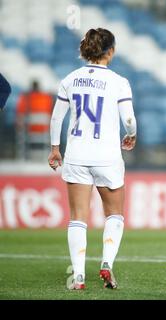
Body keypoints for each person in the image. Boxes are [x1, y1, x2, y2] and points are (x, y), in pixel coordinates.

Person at [48, 28, 137, 290]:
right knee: (115, 214)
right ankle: (107, 263)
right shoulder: (119, 82)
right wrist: (131, 134)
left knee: (78, 217)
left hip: (76, 155)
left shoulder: (70, 79)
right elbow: (129, 119)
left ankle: (78, 276)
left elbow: (56, 118)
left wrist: (55, 149)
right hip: (106, 156)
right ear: (111, 51)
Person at [16, 80, 53, 159]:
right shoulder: (46, 98)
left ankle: (22, 156)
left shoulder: (25, 98)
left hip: (29, 129)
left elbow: (20, 115)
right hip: (44, 129)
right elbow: (50, 114)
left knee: (21, 125)